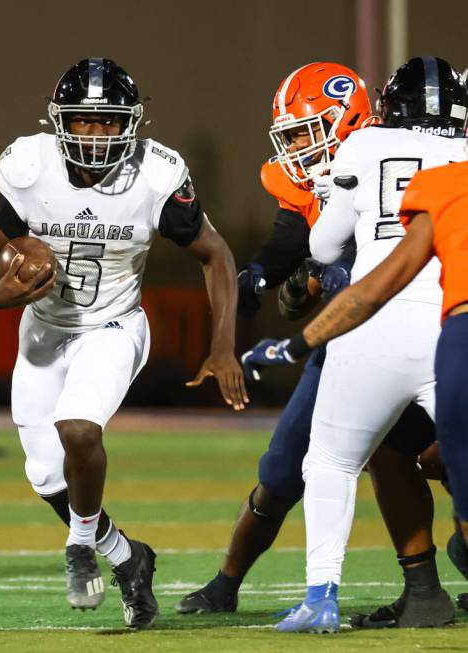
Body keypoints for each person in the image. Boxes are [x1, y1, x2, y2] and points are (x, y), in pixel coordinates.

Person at [0, 58, 246, 630]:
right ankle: (126, 557)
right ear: (59, 121)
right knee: (47, 476)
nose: (94, 137)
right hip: (45, 330)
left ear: (132, 124)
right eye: (83, 122)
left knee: (78, 427)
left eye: (108, 123)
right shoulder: (30, 167)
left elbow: (215, 253)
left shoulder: (156, 174)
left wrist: (223, 346)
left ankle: (78, 549)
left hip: (115, 325)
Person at [178, 62, 449, 629]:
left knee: (398, 456)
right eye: (293, 135)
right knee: (284, 470)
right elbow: (295, 249)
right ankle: (227, 582)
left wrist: (320, 280)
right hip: (369, 335)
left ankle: (352, 594)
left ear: (350, 119)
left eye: (306, 131)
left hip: (391, 327)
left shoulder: (371, 152)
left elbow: (333, 253)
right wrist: (272, 277)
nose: (298, 146)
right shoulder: (333, 174)